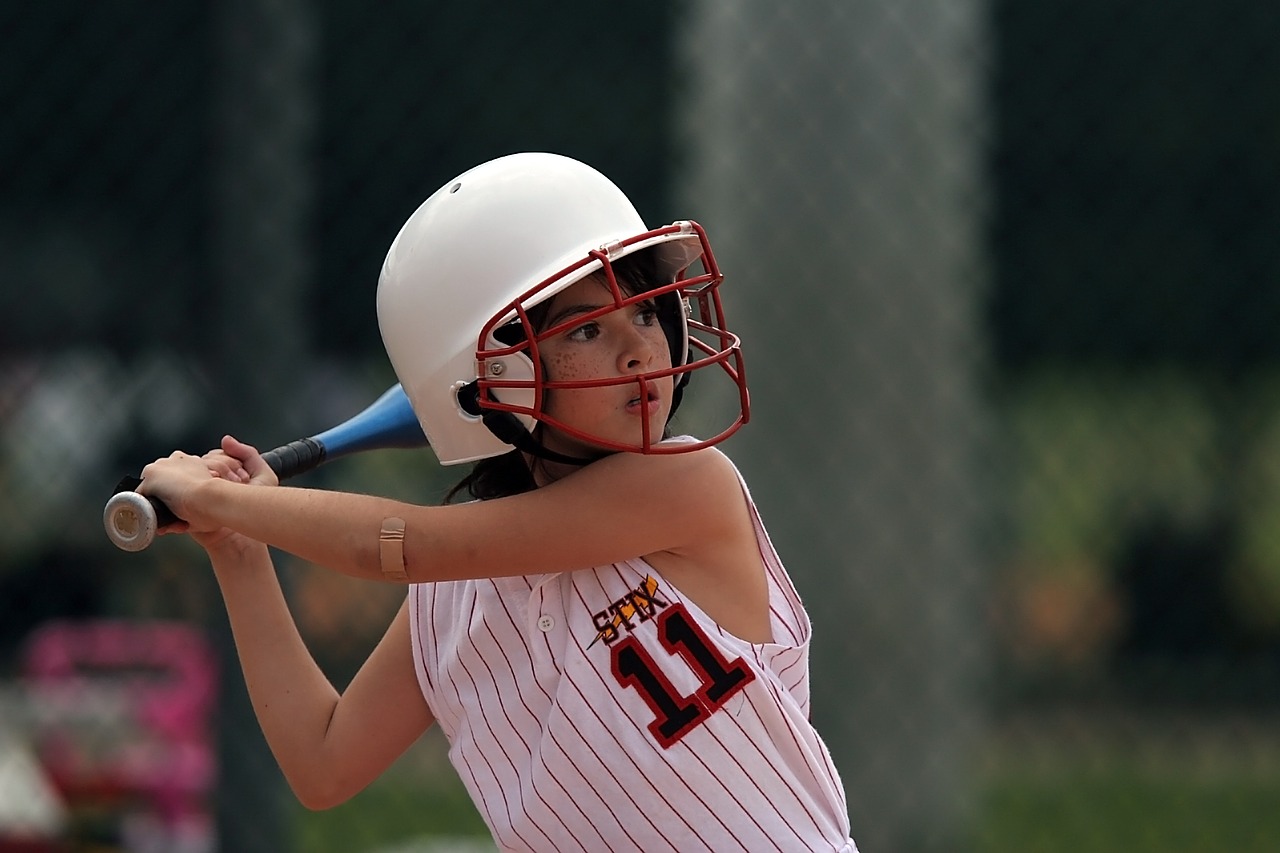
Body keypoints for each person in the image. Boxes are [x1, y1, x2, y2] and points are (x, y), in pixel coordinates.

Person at [137, 152, 857, 852]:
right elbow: (323, 761)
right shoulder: (450, 600)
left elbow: (401, 544)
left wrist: (221, 500)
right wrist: (238, 551)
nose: (641, 350)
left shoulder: (685, 485)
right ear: (488, 381)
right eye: (585, 330)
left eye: (643, 313)